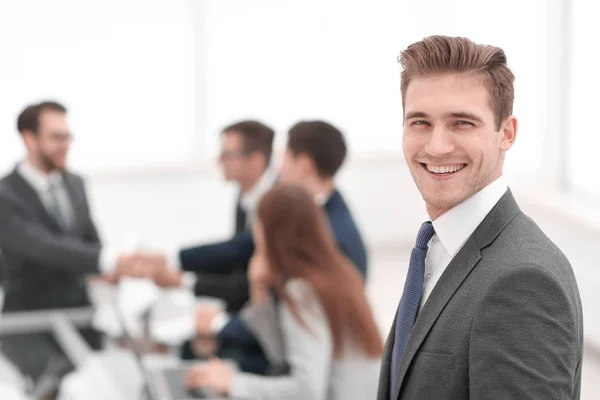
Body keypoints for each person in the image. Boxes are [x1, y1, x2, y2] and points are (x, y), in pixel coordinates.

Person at [377, 36, 583, 400]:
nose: (437, 146)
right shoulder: (437, 247)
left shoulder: (523, 282)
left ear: (506, 133)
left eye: (462, 123)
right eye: (420, 122)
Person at [179, 120, 369, 373]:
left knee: (205, 359)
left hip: (312, 362)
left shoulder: (331, 236)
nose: (277, 169)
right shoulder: (315, 212)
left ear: (303, 165)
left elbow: (294, 331)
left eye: (284, 159)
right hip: (292, 344)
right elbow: (245, 248)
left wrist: (219, 325)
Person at [185, 184, 382, 399]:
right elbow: (281, 359)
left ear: (272, 233)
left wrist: (232, 383)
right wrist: (259, 289)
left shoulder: (303, 291)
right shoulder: (337, 272)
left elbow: (307, 391)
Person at [0, 101, 149, 385]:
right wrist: (111, 261)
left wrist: (123, 268)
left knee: (98, 385)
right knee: (55, 386)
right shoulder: (5, 195)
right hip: (30, 327)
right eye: (56, 137)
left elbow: (91, 243)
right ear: (29, 138)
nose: (65, 144)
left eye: (68, 136)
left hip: (81, 320)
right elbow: (41, 246)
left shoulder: (75, 184)